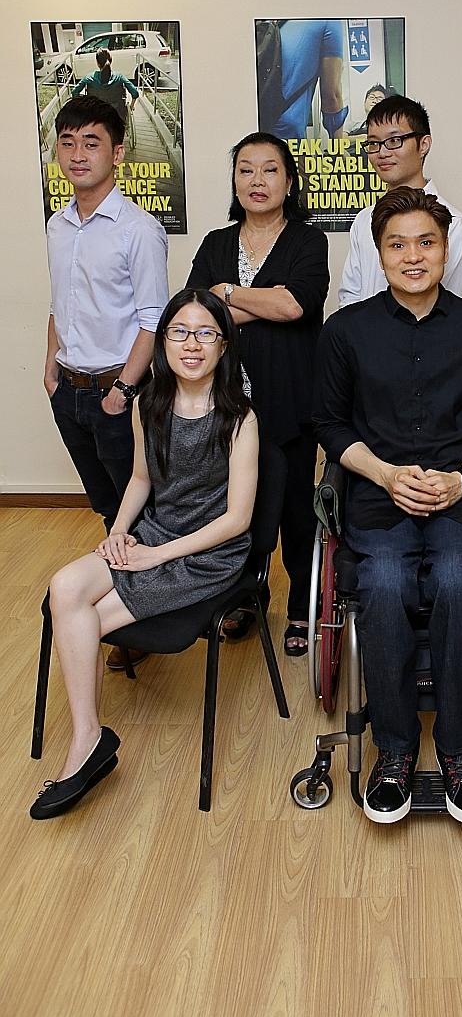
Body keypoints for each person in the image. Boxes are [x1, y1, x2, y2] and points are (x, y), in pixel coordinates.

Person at [314, 187, 462, 825]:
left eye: (426, 242)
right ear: (379, 254)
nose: (413, 256)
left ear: (446, 249)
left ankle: (459, 752)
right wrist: (383, 475)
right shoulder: (346, 331)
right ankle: (395, 751)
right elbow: (329, 423)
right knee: (382, 581)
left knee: (459, 579)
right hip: (379, 495)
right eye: (397, 244)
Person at [30, 289, 259, 820]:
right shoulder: (148, 403)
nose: (191, 344)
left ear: (224, 346)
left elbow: (238, 520)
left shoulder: (240, 418)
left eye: (206, 333)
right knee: (65, 587)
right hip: (154, 532)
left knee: (87, 619)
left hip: (208, 553)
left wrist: (159, 556)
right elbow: (139, 479)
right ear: (164, 342)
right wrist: (119, 532)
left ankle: (84, 745)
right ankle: (91, 737)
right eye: (180, 332)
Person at [187, 132, 329, 655]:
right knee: (233, 506)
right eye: (245, 170)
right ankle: (244, 598)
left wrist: (226, 295)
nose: (257, 180)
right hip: (225, 406)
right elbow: (196, 315)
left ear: (289, 182)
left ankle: (301, 609)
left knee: (294, 509)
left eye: (270, 170)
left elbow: (296, 305)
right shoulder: (215, 243)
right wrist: (257, 303)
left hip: (291, 401)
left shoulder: (308, 241)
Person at [45, 96, 169, 672]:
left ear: (117, 153)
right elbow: (59, 303)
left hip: (117, 394)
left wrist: (122, 391)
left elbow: (153, 319)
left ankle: (140, 622)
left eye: (91, 143)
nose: (78, 154)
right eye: (68, 142)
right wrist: (51, 368)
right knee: (104, 506)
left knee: (135, 509)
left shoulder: (138, 229)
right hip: (67, 390)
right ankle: (124, 605)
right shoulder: (58, 225)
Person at [337, 95, 462, 307]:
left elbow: (448, 305)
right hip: (364, 328)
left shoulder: (453, 221)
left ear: (423, 145)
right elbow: (350, 297)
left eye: (394, 141)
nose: (382, 152)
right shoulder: (364, 219)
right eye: (373, 143)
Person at [256, 19, 347, 142]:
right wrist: (338, 147)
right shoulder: (328, 21)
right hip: (287, 135)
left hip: (253, 129)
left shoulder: (268, 21)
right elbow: (331, 97)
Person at [71, 47, 139, 127]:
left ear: (97, 63)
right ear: (111, 61)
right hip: (117, 116)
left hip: (95, 117)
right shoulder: (119, 77)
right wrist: (131, 106)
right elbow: (135, 93)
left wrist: (84, 104)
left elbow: (74, 92)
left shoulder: (89, 78)